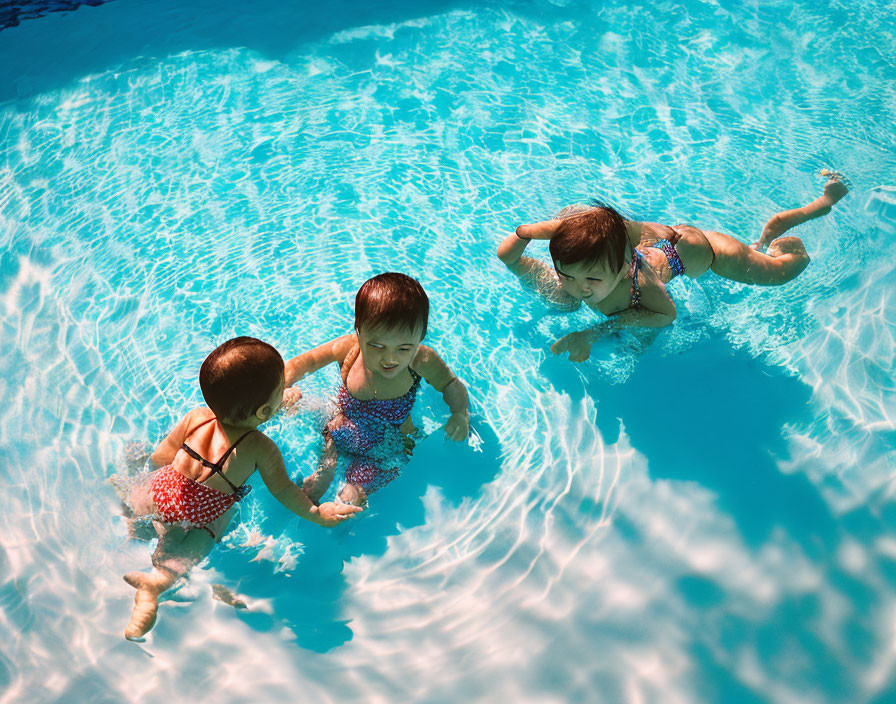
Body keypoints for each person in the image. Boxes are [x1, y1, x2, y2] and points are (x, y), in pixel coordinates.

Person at [112, 337, 360, 640]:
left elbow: (161, 457)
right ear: (266, 410)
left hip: (162, 490)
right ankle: (155, 585)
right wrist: (316, 512)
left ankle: (133, 526)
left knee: (147, 508)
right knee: (191, 547)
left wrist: (153, 482)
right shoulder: (260, 448)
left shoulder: (197, 417)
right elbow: (284, 491)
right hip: (202, 511)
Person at [496, 170, 850, 361]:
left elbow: (666, 316)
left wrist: (593, 333)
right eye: (565, 273)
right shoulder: (586, 273)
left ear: (621, 271)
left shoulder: (639, 282)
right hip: (654, 240)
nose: (579, 286)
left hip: (705, 251)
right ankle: (764, 238)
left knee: (780, 274)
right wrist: (526, 233)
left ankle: (815, 208)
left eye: (590, 278)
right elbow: (509, 258)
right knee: (565, 291)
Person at [282, 273, 470, 506]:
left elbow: (451, 384)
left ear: (420, 339)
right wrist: (284, 385)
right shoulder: (349, 349)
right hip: (341, 425)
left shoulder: (421, 360)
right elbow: (305, 362)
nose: (389, 358)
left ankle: (340, 505)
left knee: (350, 499)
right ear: (359, 332)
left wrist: (459, 413)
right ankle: (323, 475)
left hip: (384, 447)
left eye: (403, 348)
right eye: (376, 345)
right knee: (293, 406)